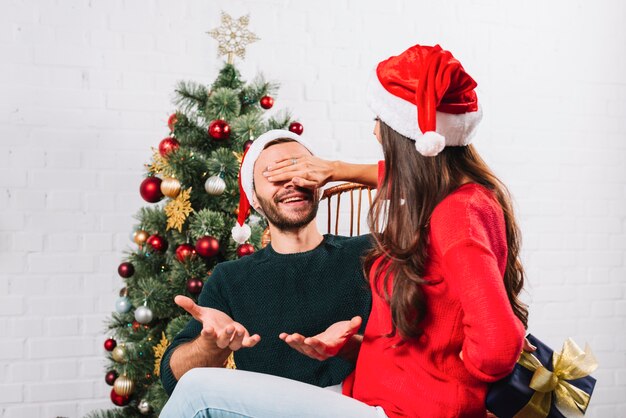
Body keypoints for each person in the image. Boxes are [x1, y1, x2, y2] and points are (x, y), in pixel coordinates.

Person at [269, 44, 530, 417]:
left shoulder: (456, 212)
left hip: (400, 410)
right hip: (365, 392)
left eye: (381, 120)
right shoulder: (452, 193)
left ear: (413, 138)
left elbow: (498, 344)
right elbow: (404, 178)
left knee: (200, 391)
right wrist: (360, 345)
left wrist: (454, 377)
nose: (375, 131)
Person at [159, 129, 383, 418]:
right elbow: (174, 378)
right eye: (273, 174)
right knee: (193, 388)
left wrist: (340, 169)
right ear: (254, 195)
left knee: (196, 391)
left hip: (355, 404)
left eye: (301, 169)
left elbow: (442, 183)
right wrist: (209, 344)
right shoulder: (230, 278)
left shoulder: (370, 251)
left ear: (321, 181)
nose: (291, 181)